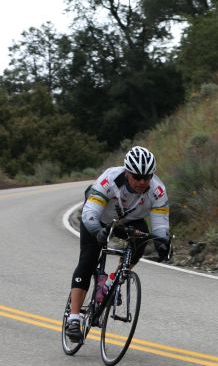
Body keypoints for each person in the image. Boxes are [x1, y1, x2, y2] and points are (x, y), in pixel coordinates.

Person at [65, 146, 170, 342]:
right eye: (137, 177)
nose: (142, 182)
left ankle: (115, 279)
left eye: (147, 177)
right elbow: (89, 214)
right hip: (99, 219)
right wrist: (98, 232)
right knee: (88, 259)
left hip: (129, 221)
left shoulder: (158, 191)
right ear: (127, 172)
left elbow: (160, 224)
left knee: (144, 237)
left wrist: (162, 243)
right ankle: (73, 317)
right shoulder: (110, 179)